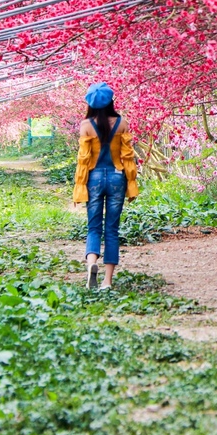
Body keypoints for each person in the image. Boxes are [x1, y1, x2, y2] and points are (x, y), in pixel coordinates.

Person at [72, 82, 139, 290]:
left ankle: (91, 265)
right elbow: (127, 157)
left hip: (94, 178)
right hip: (117, 178)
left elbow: (83, 160)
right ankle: (107, 282)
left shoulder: (85, 126)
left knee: (93, 227)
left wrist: (79, 187)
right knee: (111, 229)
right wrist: (132, 184)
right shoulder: (122, 123)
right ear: (111, 101)